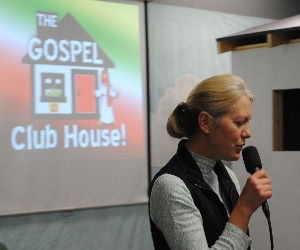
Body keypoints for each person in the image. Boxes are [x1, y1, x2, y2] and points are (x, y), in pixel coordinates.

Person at [148, 74, 272, 249]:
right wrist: (243, 209)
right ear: (205, 122)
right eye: (238, 123)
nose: (247, 133)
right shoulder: (171, 186)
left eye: (247, 123)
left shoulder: (227, 176)